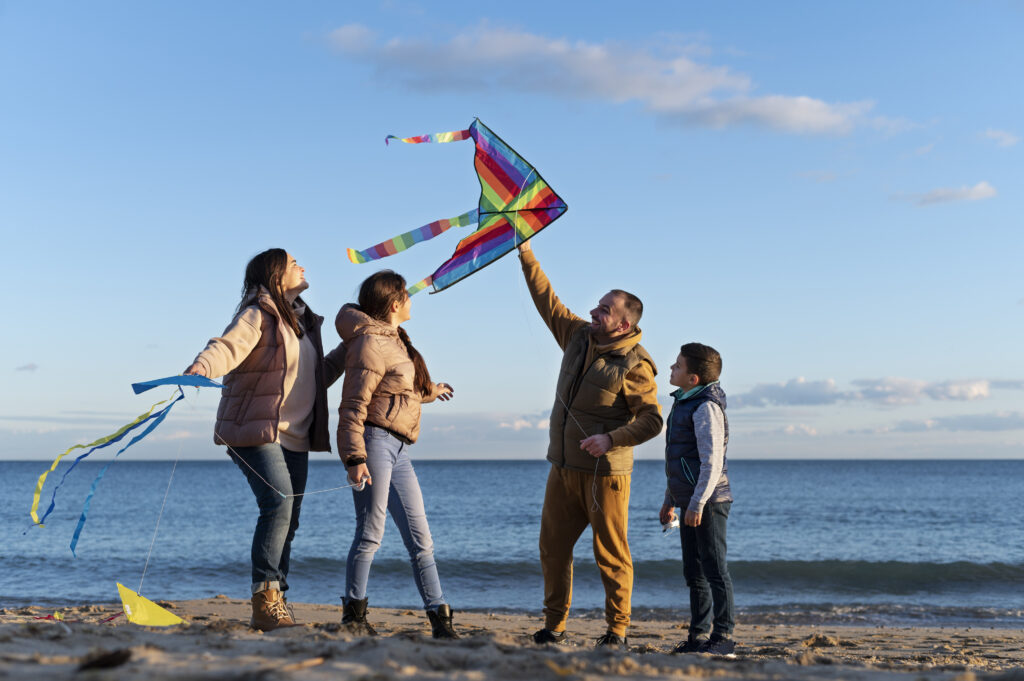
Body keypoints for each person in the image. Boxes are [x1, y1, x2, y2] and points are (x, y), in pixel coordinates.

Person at [184, 248, 346, 631]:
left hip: (295, 436)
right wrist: (203, 365)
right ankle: (264, 600)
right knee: (278, 503)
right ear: (275, 275)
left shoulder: (305, 324)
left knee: (289, 519)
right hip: (254, 429)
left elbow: (316, 376)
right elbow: (229, 346)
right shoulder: (258, 312)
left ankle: (278, 600)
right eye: (294, 263)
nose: (302, 266)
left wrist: (348, 351)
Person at [516, 240, 663, 650]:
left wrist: (611, 439)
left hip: (605, 476)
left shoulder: (635, 364)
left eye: (605, 310)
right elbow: (547, 300)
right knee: (552, 550)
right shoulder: (579, 336)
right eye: (597, 305)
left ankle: (617, 631)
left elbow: (652, 420)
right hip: (562, 468)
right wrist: (526, 253)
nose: (595, 311)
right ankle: (554, 626)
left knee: (611, 555)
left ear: (623, 324)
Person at [335, 270, 459, 640]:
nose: (411, 300)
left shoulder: (395, 340)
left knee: (421, 538)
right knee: (371, 533)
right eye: (407, 295)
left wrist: (429, 393)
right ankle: (354, 617)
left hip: (400, 449)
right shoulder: (371, 343)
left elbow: (395, 395)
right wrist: (354, 458)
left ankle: (440, 619)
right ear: (394, 304)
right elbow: (353, 406)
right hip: (373, 444)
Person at [658, 343, 736, 655]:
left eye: (677, 366)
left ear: (693, 378)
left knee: (715, 568)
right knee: (694, 571)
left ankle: (724, 637)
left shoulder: (706, 407)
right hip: (689, 500)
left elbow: (712, 463)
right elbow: (678, 461)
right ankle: (698, 637)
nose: (671, 369)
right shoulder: (684, 403)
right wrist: (670, 500)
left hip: (709, 501)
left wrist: (697, 504)